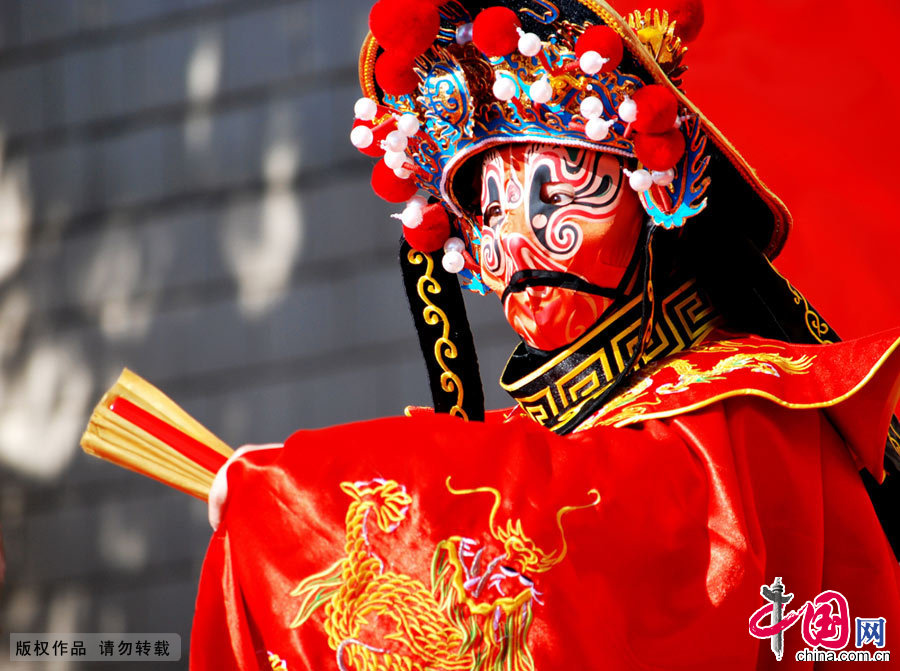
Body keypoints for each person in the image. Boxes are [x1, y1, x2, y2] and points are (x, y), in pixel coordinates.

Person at [192, 1, 900, 668]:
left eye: (559, 196)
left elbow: (611, 532)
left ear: (660, 198)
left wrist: (302, 497)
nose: (518, 240)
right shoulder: (572, 433)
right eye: (490, 213)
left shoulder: (743, 411)